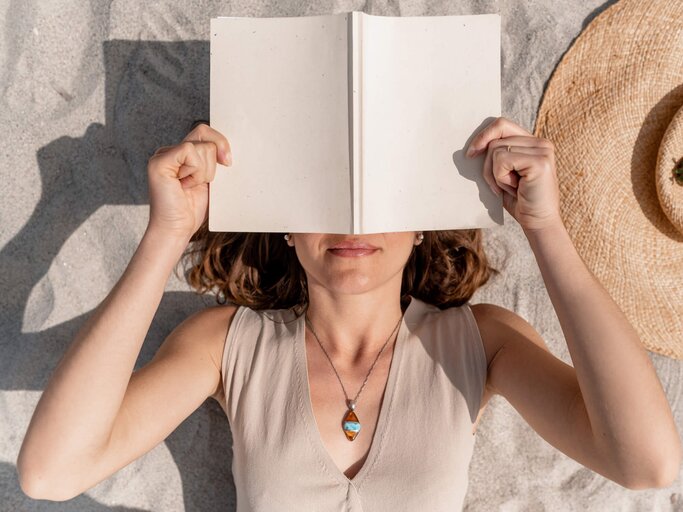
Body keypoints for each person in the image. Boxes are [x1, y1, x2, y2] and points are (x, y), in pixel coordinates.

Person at [16, 117, 681, 509]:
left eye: (381, 197)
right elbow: (51, 472)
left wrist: (544, 227)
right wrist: (167, 234)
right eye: (323, 195)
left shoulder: (481, 341)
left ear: (421, 223)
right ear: (282, 223)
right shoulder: (227, 342)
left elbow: (648, 464)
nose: (353, 222)